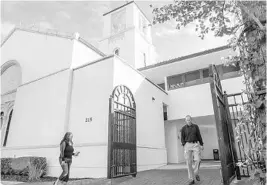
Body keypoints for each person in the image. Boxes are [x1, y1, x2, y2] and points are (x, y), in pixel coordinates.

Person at [181, 115, 204, 185]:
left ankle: (196, 173)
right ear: (185, 121)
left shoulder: (195, 126)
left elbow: (199, 135)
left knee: (198, 159)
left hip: (195, 145)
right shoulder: (183, 128)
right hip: (187, 145)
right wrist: (184, 144)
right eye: (187, 120)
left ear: (191, 120)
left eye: (189, 119)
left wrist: (201, 144)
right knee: (188, 162)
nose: (188, 121)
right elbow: (182, 137)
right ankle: (191, 179)